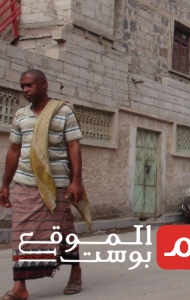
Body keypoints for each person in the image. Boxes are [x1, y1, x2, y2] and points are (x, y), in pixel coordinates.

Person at [0, 70, 92, 300]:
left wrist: (76, 181)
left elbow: (74, 148)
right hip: (24, 184)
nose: (24, 90)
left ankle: (75, 270)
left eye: (29, 85)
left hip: (56, 185)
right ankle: (19, 287)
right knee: (22, 235)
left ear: (44, 84)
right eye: (22, 86)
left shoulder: (63, 112)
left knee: (63, 232)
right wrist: (5, 185)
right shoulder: (21, 115)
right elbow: (13, 150)